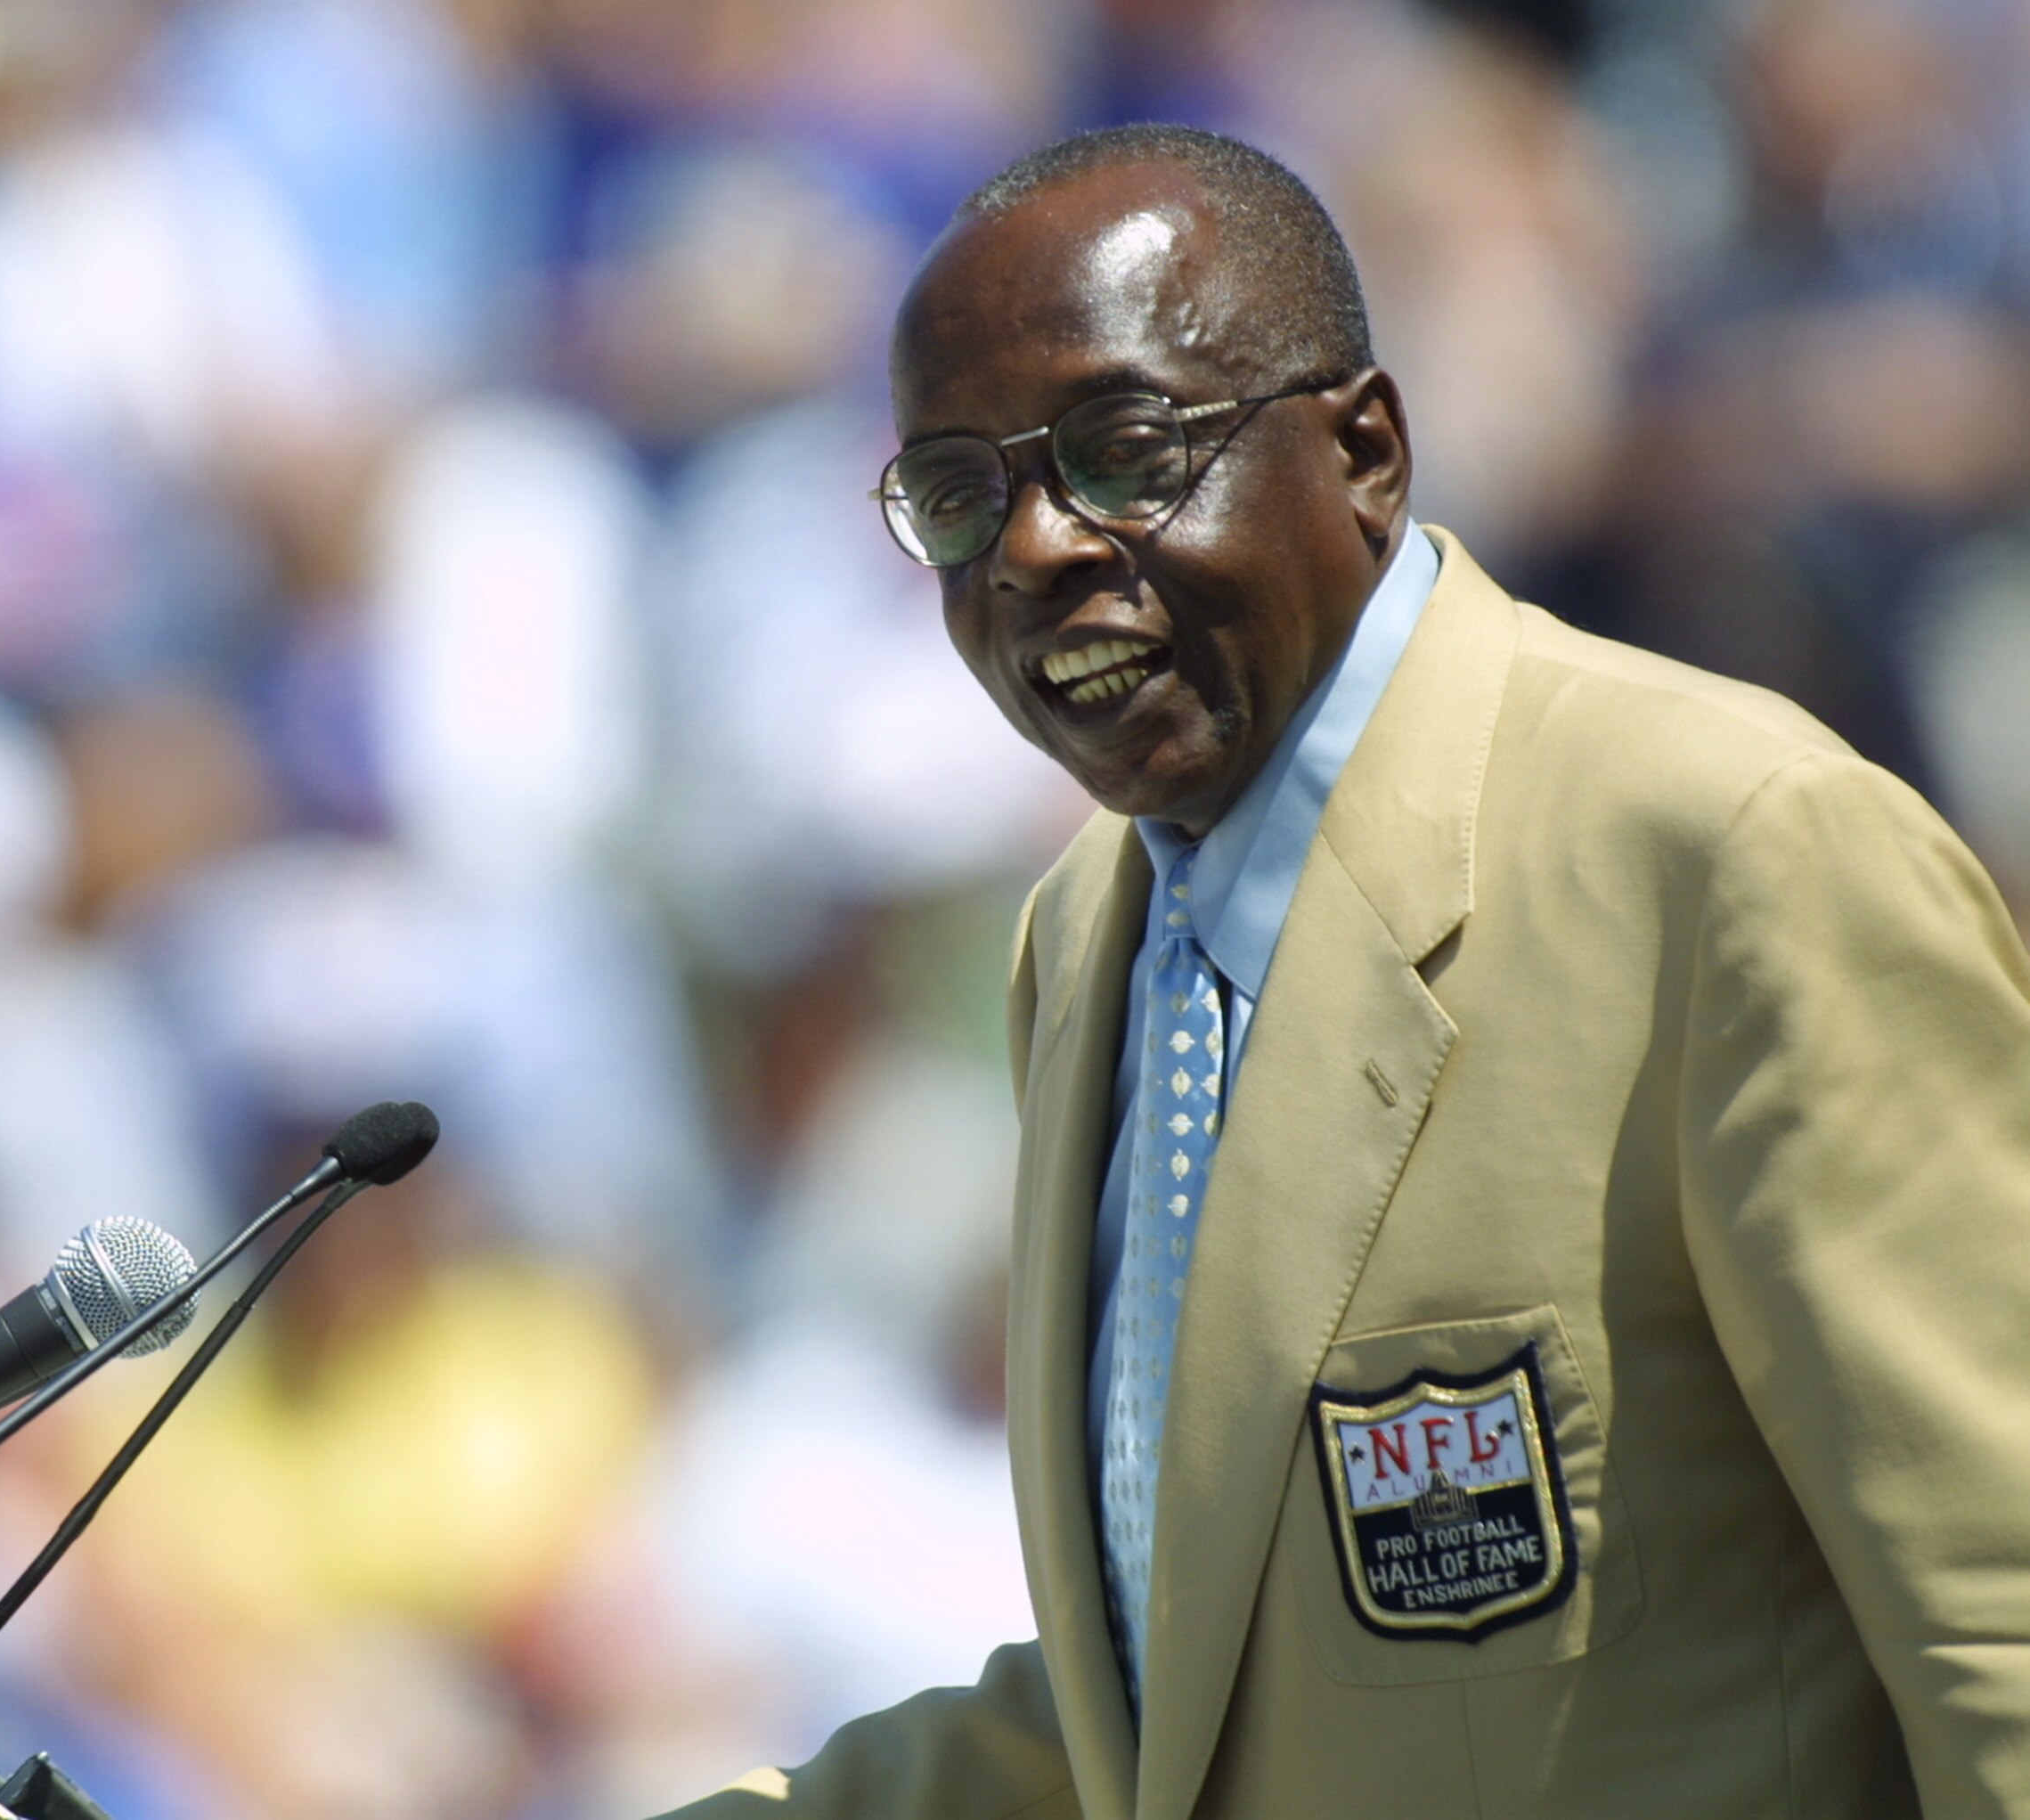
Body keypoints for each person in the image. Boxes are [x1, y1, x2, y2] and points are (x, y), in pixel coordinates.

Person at [659, 123, 2030, 1818]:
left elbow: (1998, 1617)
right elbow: (1184, 1696)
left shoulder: (1728, 846)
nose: (1031, 549)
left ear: (1365, 451)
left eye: (1119, 451)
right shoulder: (1088, 938)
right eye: (957, 496)